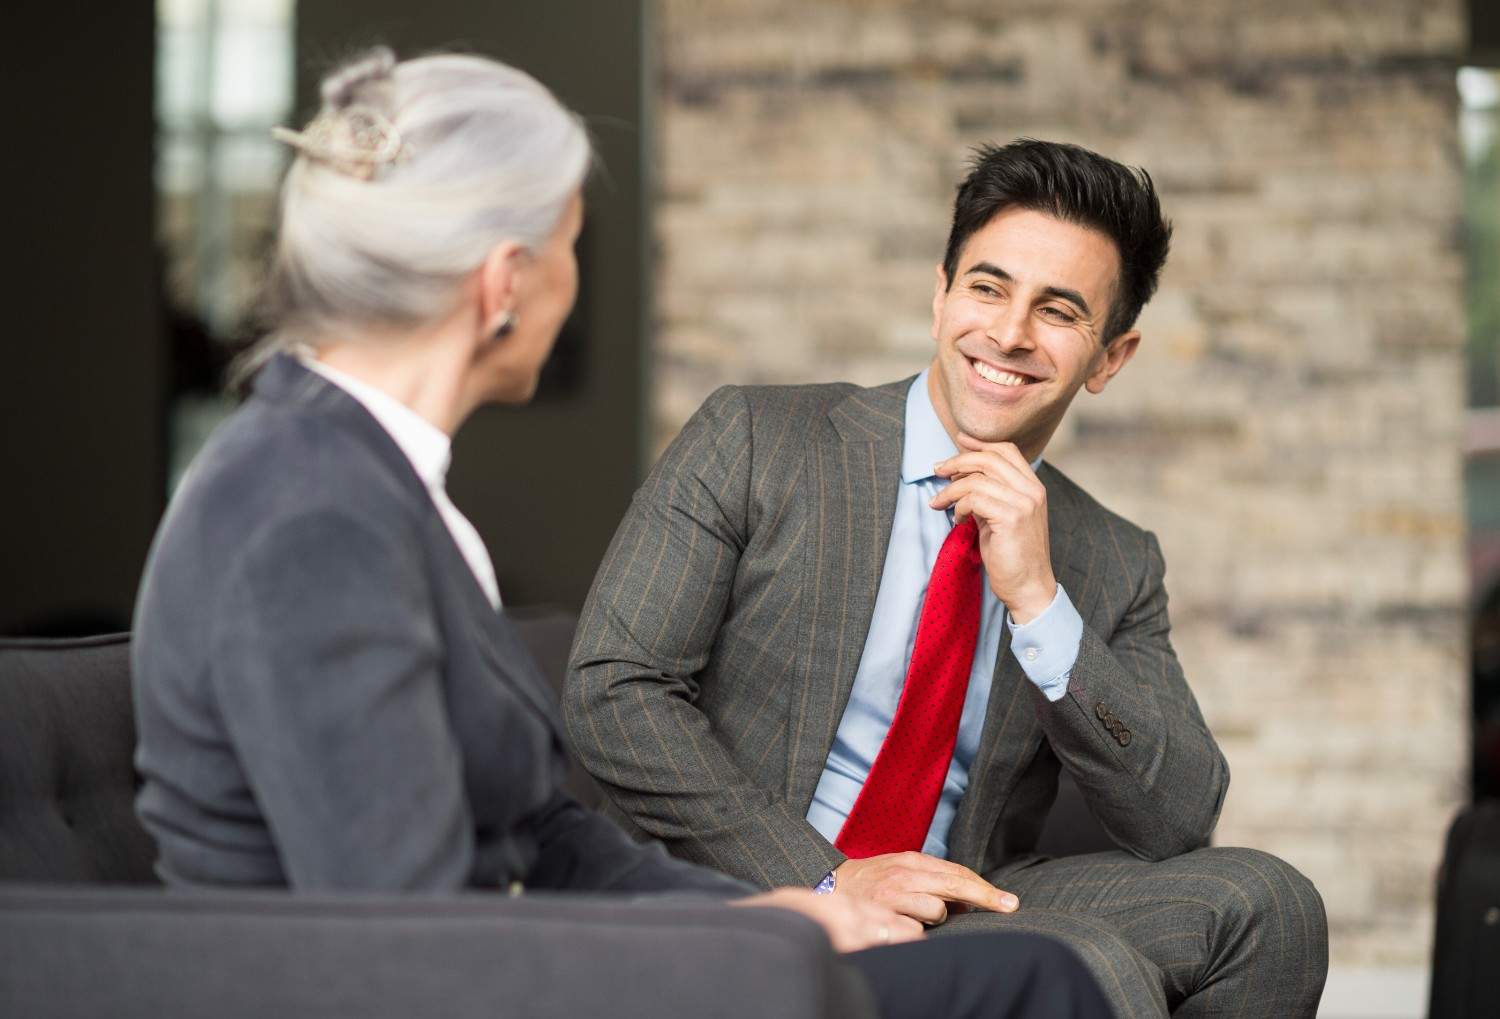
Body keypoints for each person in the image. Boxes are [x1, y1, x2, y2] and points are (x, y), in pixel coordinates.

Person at [130, 48, 1113, 1019]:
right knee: (1033, 983)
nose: (576, 280)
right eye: (572, 246)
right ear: (505, 282)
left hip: (529, 955)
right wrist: (714, 947)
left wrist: (773, 914)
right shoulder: (313, 515)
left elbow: (543, 833)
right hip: (464, 984)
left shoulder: (374, 484)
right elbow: (407, 934)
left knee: (1031, 971)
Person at [564, 139, 1330, 1017]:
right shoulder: (757, 440)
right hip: (747, 879)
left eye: (1059, 311)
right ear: (940, 294)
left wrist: (1040, 601)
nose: (1008, 333)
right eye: (988, 287)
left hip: (961, 896)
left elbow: (1180, 814)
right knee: (1088, 966)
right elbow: (612, 689)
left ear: (1110, 358)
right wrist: (826, 878)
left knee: (1273, 906)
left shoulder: (1112, 556)